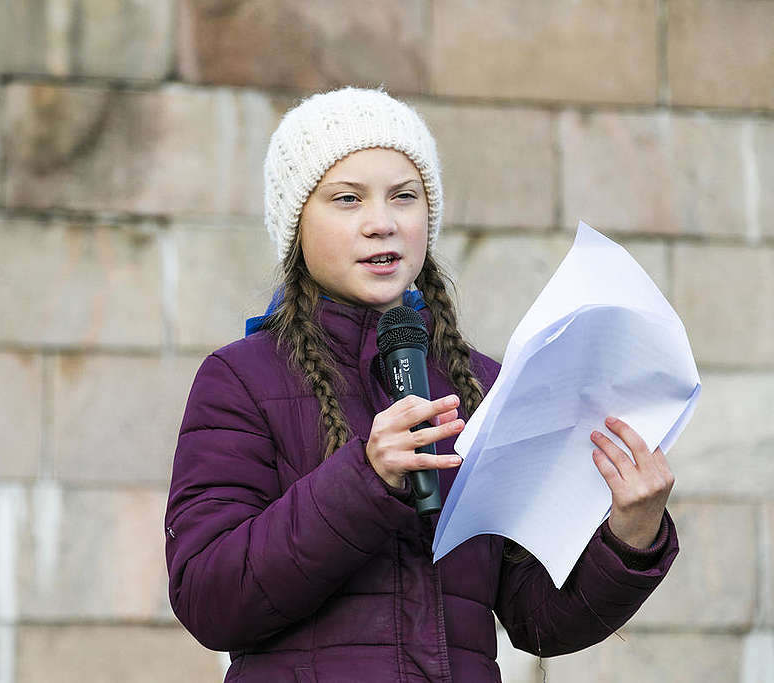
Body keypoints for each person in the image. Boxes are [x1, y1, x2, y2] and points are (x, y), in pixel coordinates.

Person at [164, 87, 678, 682]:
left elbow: (538, 619)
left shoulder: (482, 385)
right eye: (347, 199)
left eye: (403, 197)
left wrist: (630, 534)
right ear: (296, 225)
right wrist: (365, 477)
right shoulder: (241, 379)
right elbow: (209, 598)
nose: (381, 223)